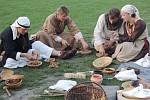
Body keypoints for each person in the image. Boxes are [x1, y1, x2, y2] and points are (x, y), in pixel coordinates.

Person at [0, 16, 77, 68]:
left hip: (21, 51)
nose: (26, 31)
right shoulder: (7, 34)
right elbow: (9, 52)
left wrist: (33, 51)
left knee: (37, 44)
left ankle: (60, 54)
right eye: (24, 29)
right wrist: (26, 55)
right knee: (10, 61)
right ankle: (39, 58)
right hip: (8, 54)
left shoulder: (23, 31)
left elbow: (26, 45)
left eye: (27, 29)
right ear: (17, 27)